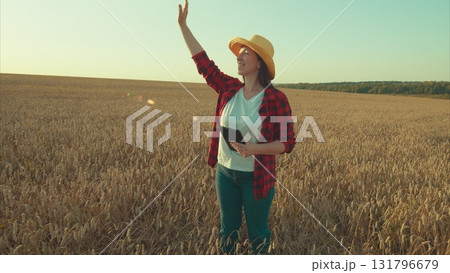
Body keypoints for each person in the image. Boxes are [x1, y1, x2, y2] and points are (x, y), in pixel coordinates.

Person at [178, 0, 296, 254]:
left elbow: (288, 143)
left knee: (258, 233)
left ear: (259, 63)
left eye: (246, 53)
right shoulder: (229, 88)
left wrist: (255, 148)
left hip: (257, 177)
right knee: (227, 230)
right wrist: (183, 26)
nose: (239, 57)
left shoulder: (276, 99)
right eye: (239, 53)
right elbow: (203, 64)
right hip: (225, 173)